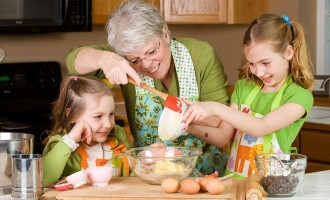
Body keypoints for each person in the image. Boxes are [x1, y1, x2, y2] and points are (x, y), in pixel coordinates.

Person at [66, 0, 229, 177]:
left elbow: (219, 119)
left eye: (151, 52)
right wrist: (104, 59)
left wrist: (181, 116)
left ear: (165, 35)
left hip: (206, 172)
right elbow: (73, 61)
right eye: (135, 60)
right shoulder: (123, 60)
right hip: (148, 173)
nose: (147, 65)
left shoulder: (201, 55)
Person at [182, 13, 314, 179]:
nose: (258, 72)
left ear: (288, 53)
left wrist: (214, 108)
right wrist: (189, 124)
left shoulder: (299, 97)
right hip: (235, 183)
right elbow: (223, 136)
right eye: (251, 63)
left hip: (270, 187)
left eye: (265, 63)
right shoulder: (243, 87)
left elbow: (261, 127)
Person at [42, 75, 131, 187]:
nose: (108, 124)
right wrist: (71, 139)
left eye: (111, 114)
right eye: (98, 116)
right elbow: (44, 179)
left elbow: (132, 171)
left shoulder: (117, 134)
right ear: (72, 116)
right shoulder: (60, 143)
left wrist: (147, 160)